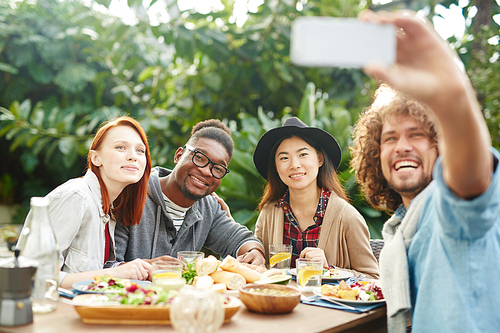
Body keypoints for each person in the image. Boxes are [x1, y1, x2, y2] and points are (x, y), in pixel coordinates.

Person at [350, 10, 500, 333]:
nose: (401, 146)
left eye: (416, 134)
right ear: (376, 155)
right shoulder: (397, 230)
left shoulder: (449, 209)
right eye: (390, 138)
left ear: (440, 148)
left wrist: (452, 100)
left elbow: (471, 183)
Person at [20, 116, 153, 289]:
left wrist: (130, 269)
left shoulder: (109, 209)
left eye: (140, 151)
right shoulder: (76, 197)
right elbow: (31, 274)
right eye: (120, 147)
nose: (133, 156)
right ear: (96, 158)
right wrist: (113, 274)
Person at [115, 119, 266, 266]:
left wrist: (254, 251)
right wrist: (149, 267)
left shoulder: (208, 208)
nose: (207, 171)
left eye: (218, 168)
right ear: (179, 155)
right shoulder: (132, 192)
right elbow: (107, 266)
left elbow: (239, 239)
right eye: (199, 157)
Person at [253, 117, 379, 279]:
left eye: (303, 154)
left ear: (320, 159)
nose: (294, 164)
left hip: (326, 304)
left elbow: (373, 278)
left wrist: (328, 269)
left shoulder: (347, 217)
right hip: (280, 301)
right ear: (276, 167)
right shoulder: (269, 212)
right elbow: (258, 265)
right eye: (284, 158)